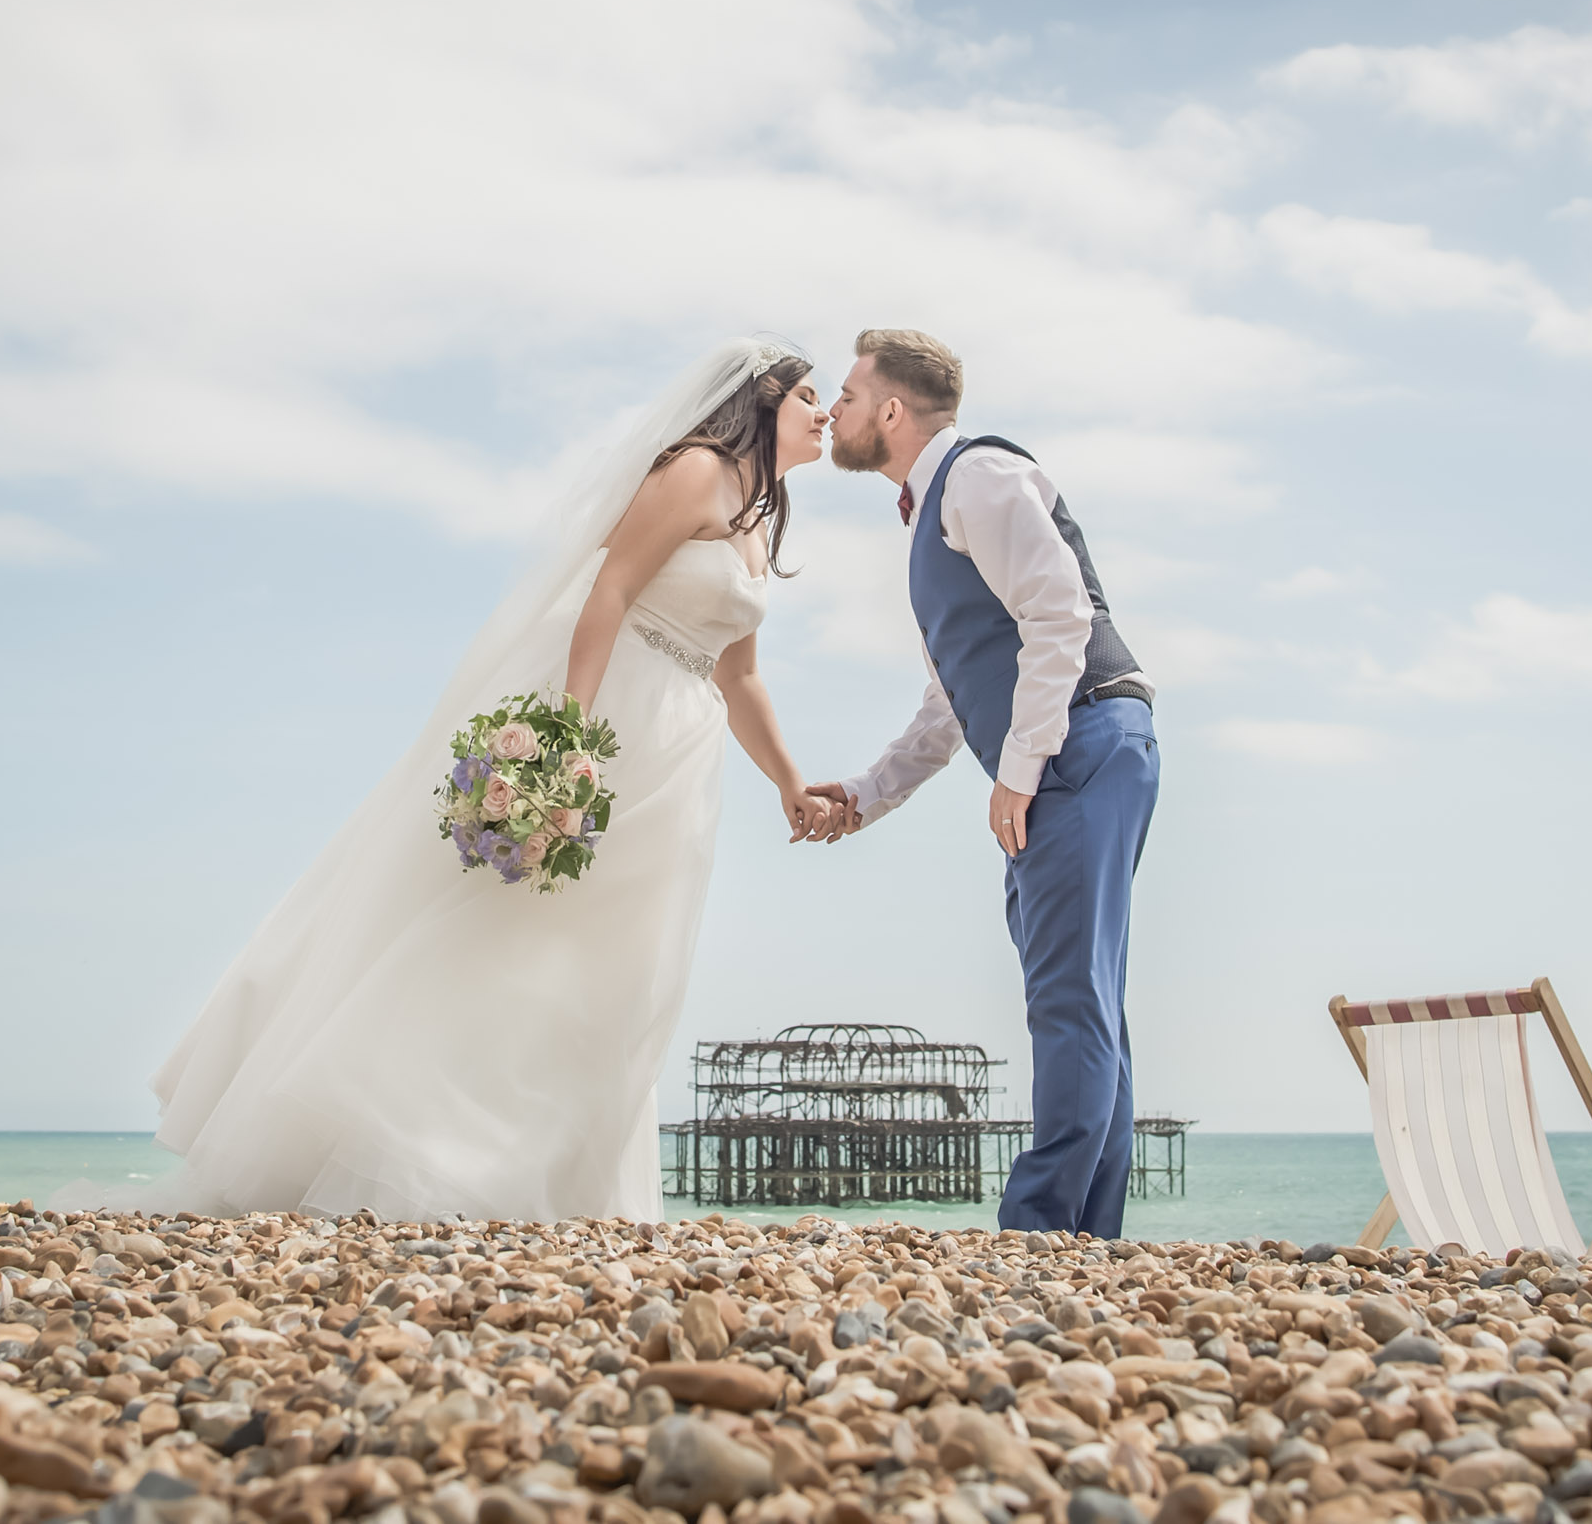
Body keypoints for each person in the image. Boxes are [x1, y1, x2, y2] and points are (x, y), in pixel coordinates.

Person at [139, 338, 844, 1221]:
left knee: (620, 962)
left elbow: (740, 676)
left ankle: (561, 1182)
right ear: (760, 399)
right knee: (512, 928)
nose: (826, 412)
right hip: (614, 711)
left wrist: (789, 780)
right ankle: (423, 1154)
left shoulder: (759, 519)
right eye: (811, 394)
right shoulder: (698, 470)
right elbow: (612, 590)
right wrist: (570, 740)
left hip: (683, 751)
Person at [807, 328, 1161, 1239]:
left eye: (847, 394)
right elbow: (952, 698)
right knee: (1083, 994)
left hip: (1080, 740)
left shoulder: (975, 478)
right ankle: (1085, 1237)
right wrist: (867, 792)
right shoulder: (931, 512)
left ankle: (1040, 1230)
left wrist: (1019, 769)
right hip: (1075, 745)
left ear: (891, 410)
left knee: (1070, 995)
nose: (832, 410)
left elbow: (1059, 613)